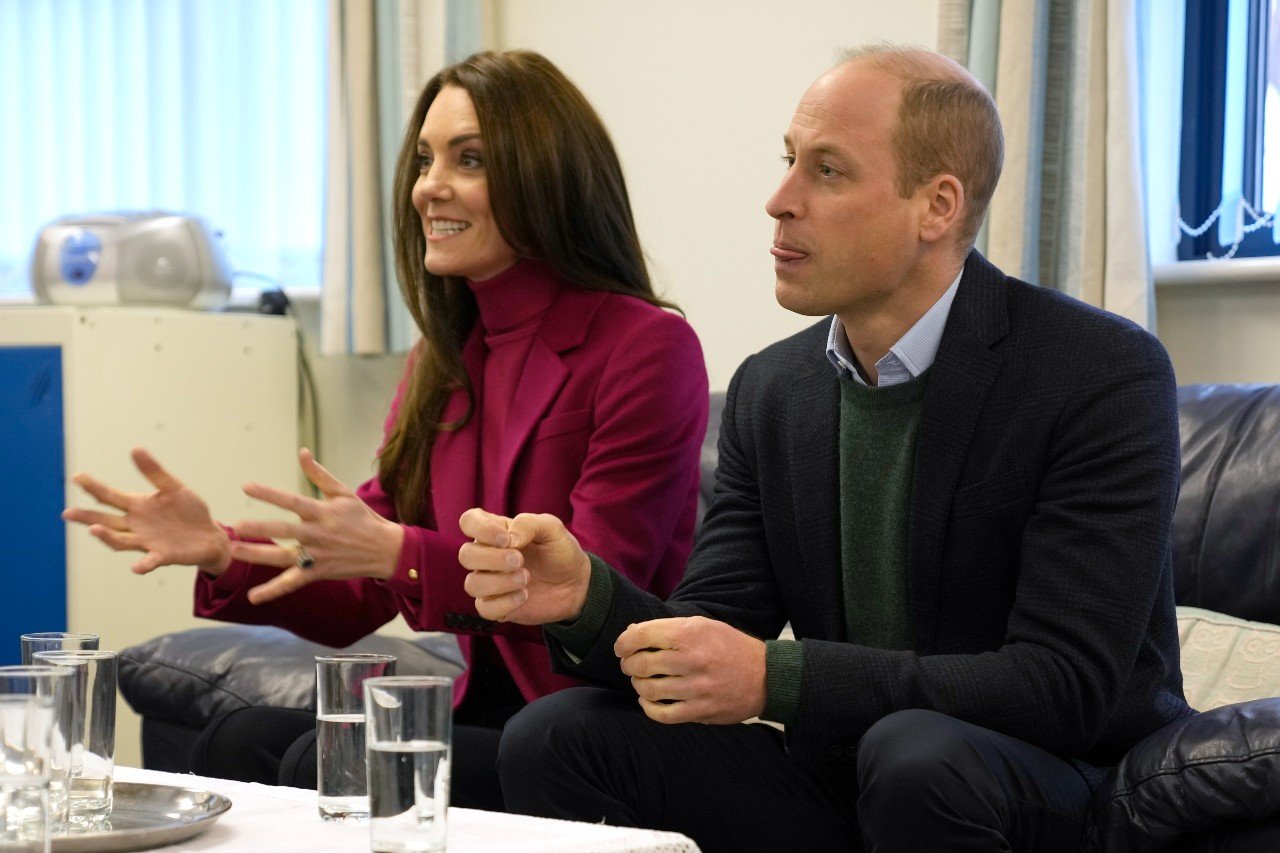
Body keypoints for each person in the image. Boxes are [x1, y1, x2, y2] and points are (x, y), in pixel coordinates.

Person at [456, 45, 1190, 851]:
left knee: (915, 755)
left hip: (1057, 780)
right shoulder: (774, 390)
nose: (779, 200)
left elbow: (1063, 685)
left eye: (827, 172)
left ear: (936, 206)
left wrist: (779, 676)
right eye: (788, 162)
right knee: (554, 735)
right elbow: (711, 631)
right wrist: (584, 598)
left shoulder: (1097, 372)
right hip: (852, 769)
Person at [62, 50, 708, 811]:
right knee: (235, 742)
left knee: (321, 760)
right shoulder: (444, 356)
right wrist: (221, 550)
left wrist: (399, 551)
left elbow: (590, 584)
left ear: (547, 174)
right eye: (425, 158)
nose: (427, 185)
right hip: (486, 715)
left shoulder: (645, 345)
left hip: (588, 729)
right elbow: (362, 577)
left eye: (468, 159)